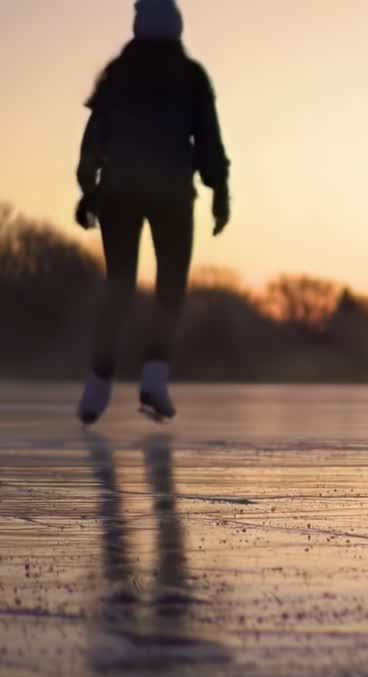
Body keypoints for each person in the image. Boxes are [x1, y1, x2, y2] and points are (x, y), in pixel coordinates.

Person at [75, 0, 231, 424]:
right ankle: (155, 378)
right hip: (171, 195)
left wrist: (89, 189)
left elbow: (93, 141)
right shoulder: (191, 77)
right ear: (177, 31)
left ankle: (97, 387)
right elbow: (209, 141)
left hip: (119, 193)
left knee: (119, 285)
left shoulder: (117, 77)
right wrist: (220, 190)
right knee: (170, 286)